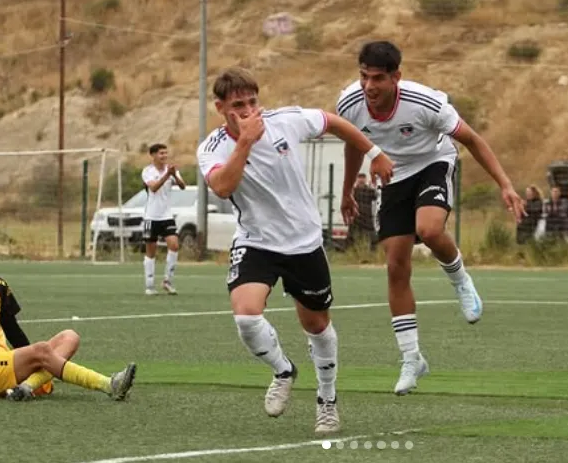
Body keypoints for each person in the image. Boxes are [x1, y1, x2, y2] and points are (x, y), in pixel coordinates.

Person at [197, 67, 393, 434]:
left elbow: (334, 122)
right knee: (246, 317)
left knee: (316, 325)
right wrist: (245, 143)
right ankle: (283, 370)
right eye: (238, 105)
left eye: (252, 102)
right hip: (256, 241)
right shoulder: (211, 147)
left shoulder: (285, 121)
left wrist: (375, 152)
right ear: (220, 107)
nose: (248, 111)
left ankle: (327, 400)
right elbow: (223, 187)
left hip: (303, 242)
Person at [336, 41, 525, 395]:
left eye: (377, 78)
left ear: (396, 77)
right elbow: (353, 145)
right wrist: (346, 192)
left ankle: (460, 280)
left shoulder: (424, 103)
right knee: (395, 265)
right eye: (363, 77)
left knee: (429, 229)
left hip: (433, 163)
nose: (369, 86)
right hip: (394, 174)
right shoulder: (349, 103)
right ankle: (412, 359)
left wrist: (505, 185)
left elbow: (473, 140)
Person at [0, 231, 136, 401]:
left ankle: (26, 387)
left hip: (4, 364)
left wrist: (31, 361)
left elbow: (14, 333)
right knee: (41, 350)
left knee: (70, 337)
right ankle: (109, 385)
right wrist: (37, 357)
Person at [141, 143, 186, 296]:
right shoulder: (147, 171)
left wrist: (174, 175)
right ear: (153, 155)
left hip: (166, 216)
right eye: (161, 153)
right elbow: (153, 188)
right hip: (151, 217)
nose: (164, 156)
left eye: (166, 153)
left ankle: (168, 281)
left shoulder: (171, 170)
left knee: (174, 245)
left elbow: (182, 186)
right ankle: (149, 285)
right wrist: (167, 175)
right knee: (151, 251)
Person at [346, 173, 378, 251]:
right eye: (360, 179)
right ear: (357, 180)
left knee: (372, 236)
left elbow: (376, 196)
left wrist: (373, 186)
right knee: (352, 236)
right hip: (355, 216)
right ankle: (350, 250)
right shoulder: (353, 190)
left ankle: (373, 251)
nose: (361, 180)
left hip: (367, 216)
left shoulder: (369, 190)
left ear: (365, 180)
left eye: (363, 179)